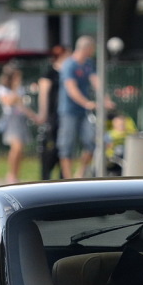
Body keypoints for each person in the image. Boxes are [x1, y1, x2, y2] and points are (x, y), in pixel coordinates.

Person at [58, 35, 103, 179]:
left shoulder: (88, 64)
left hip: (84, 111)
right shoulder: (69, 65)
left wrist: (105, 99)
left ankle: (80, 174)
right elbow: (71, 89)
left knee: (91, 140)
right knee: (67, 144)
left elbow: (97, 82)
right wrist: (87, 103)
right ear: (87, 48)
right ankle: (67, 177)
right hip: (69, 111)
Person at [0, 63, 39, 184]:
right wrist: (15, 88)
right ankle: (11, 173)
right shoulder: (2, 89)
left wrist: (34, 116)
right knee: (16, 147)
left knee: (21, 149)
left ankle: (16, 173)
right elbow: (9, 101)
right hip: (11, 119)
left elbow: (22, 105)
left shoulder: (20, 89)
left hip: (20, 119)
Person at [34, 45, 67, 180]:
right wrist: (43, 113)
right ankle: (46, 174)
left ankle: (62, 174)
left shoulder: (67, 73)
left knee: (63, 146)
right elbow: (43, 94)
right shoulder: (49, 73)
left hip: (64, 114)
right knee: (53, 146)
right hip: (54, 115)